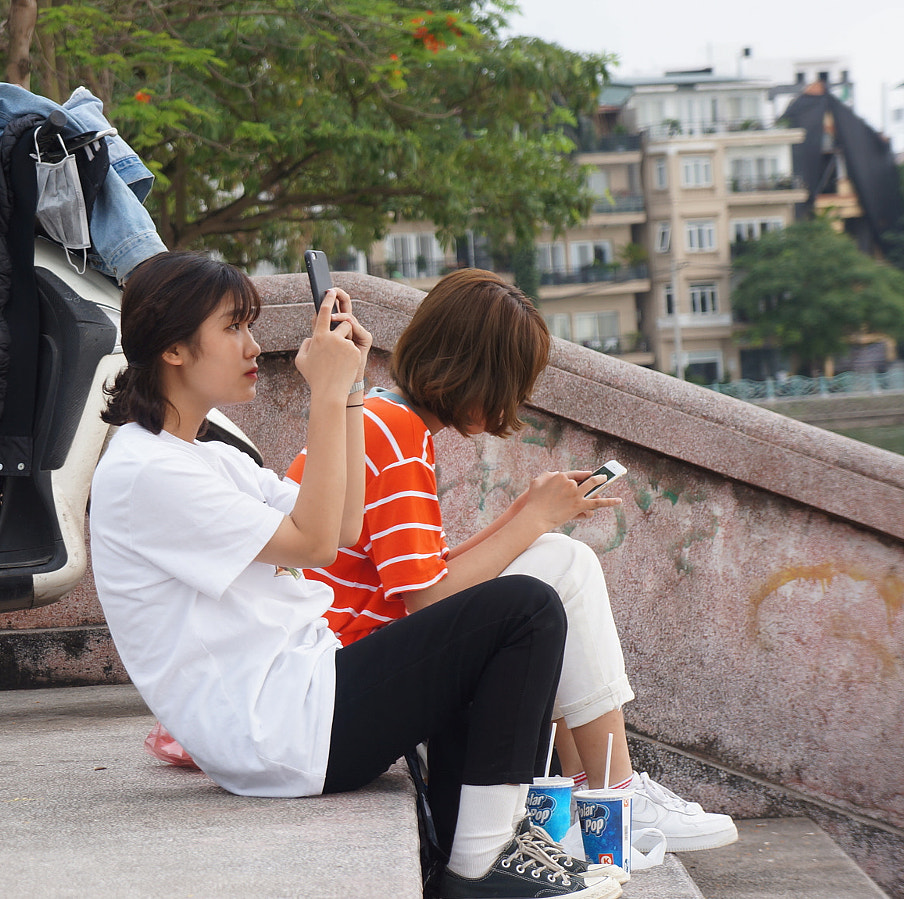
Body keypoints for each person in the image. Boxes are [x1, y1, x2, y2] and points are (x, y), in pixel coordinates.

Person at [88, 251, 622, 899]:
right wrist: (328, 392)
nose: (255, 345)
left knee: (493, 618)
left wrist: (351, 392)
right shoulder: (149, 472)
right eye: (233, 328)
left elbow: (338, 525)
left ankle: (475, 845)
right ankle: (483, 861)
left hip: (300, 704)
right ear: (174, 347)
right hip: (282, 726)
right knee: (525, 610)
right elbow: (315, 542)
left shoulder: (198, 459)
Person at [285, 268, 737, 854]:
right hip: (350, 672)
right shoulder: (392, 435)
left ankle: (596, 793)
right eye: (515, 380)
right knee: (565, 565)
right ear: (480, 374)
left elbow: (423, 574)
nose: (517, 400)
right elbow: (427, 599)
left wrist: (524, 512)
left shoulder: (379, 416)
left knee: (554, 556)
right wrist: (534, 520)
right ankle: (616, 795)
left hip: (351, 658)